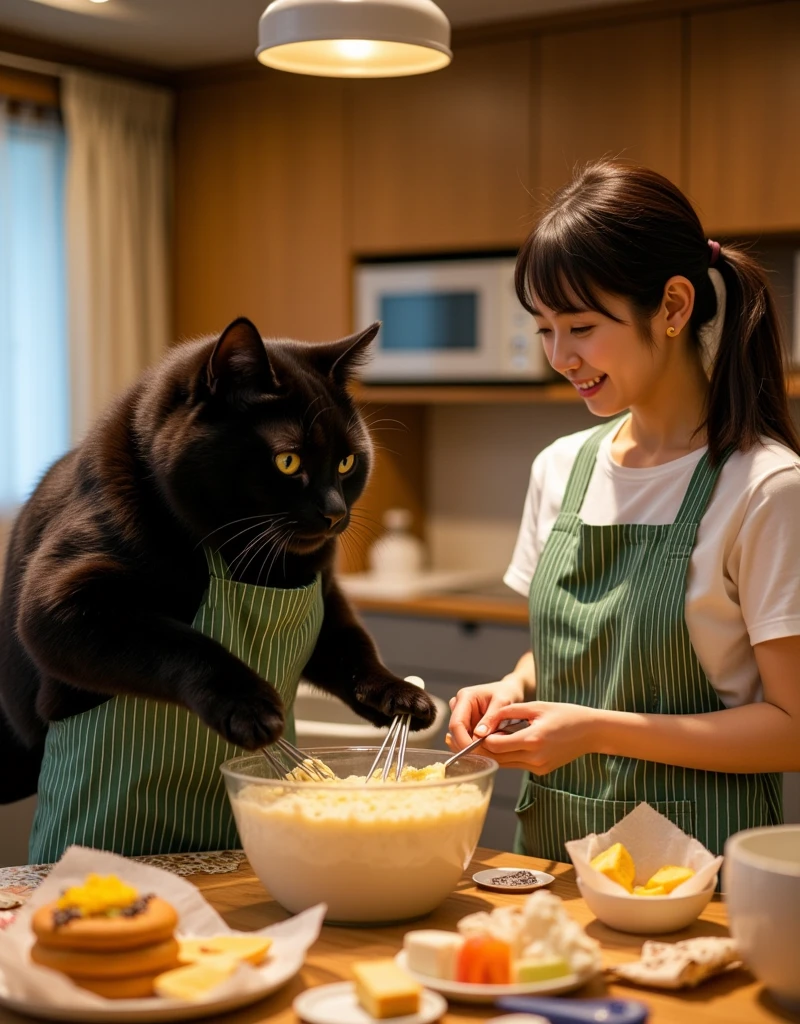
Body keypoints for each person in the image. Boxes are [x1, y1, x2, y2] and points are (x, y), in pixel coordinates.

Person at [447, 160, 800, 860]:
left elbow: (790, 727)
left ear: (673, 307)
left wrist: (597, 730)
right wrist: (514, 683)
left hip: (698, 882)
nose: (559, 355)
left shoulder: (766, 488)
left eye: (579, 326)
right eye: (544, 329)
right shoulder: (559, 468)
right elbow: (580, 657)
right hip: (552, 860)